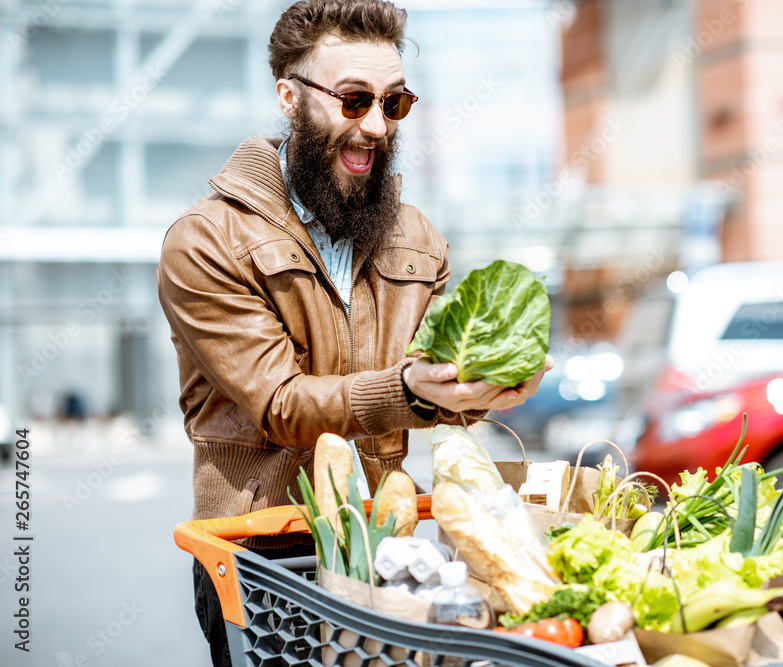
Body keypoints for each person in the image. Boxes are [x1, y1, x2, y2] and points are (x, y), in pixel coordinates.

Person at [155, 1, 552, 664]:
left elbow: (435, 380)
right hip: (267, 560)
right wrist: (412, 389)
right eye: (353, 99)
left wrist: (493, 382)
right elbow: (281, 405)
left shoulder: (417, 238)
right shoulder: (206, 240)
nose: (374, 126)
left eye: (394, 104)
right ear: (289, 96)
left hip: (390, 549)